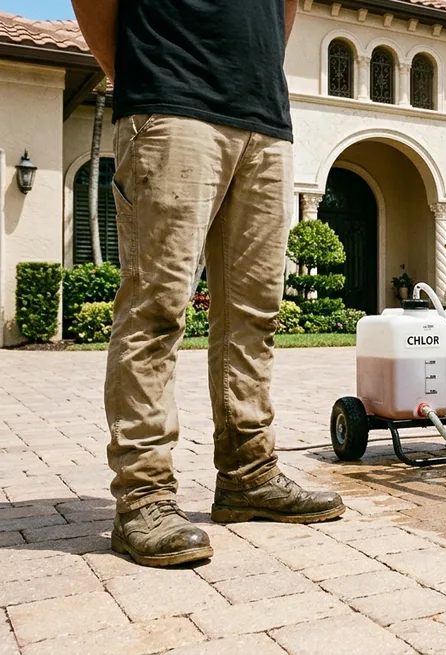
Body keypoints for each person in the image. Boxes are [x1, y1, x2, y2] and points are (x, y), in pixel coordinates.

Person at [73, 0, 345, 568]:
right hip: (169, 100)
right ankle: (144, 496)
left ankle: (249, 475)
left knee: (255, 316)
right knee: (155, 310)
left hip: (264, 120)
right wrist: (145, 72)